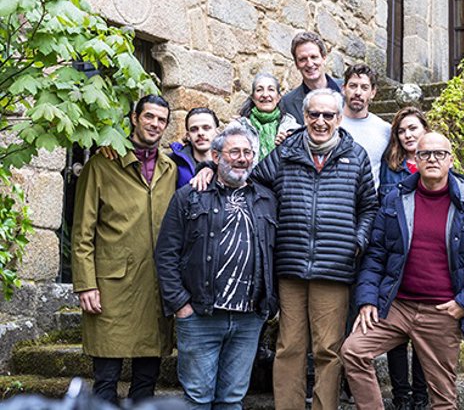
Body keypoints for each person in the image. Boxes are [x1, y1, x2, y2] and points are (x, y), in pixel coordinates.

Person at [341, 132, 464, 410]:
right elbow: (376, 254)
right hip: (396, 306)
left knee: (443, 399)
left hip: (442, 311)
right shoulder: (395, 200)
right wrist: (367, 299)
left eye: (439, 154)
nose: (432, 159)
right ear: (415, 160)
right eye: (425, 154)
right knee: (353, 351)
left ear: (451, 160)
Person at [252, 88, 378, 410]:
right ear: (305, 116)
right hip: (291, 265)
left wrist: (358, 241)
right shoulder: (286, 152)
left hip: (334, 269)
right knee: (289, 347)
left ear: (339, 118)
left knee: (328, 350)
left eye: (328, 115)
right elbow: (255, 184)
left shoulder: (356, 155)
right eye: (314, 115)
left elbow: (369, 207)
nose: (320, 121)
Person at [154, 122, 278, 409]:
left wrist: (269, 304)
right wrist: (180, 305)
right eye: (234, 151)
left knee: (232, 400)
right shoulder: (190, 195)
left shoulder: (266, 199)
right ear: (217, 156)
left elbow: (276, 252)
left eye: (248, 152)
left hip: (248, 318)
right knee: (198, 399)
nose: (242, 158)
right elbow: (166, 253)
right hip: (200, 315)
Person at [71, 95, 177, 405]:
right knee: (106, 381)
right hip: (110, 286)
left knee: (146, 382)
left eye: (161, 120)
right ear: (134, 118)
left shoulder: (170, 169)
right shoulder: (102, 164)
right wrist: (86, 283)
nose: (155, 124)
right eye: (149, 117)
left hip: (155, 286)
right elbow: (82, 230)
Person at [377, 106, 430, 409]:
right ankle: (401, 398)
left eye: (413, 128)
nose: (408, 135)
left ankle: (421, 399)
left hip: (426, 261)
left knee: (422, 336)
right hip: (395, 261)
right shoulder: (389, 167)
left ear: (425, 130)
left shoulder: (438, 161)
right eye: (402, 130)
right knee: (396, 336)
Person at [339, 63, 391, 189]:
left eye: (364, 87)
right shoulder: (329, 123)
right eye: (352, 86)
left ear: (373, 93)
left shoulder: (385, 129)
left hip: (368, 205)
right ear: (343, 89)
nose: (358, 92)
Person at [280, 31, 342, 125]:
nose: (309, 64)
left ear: (324, 58)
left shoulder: (348, 89)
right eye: (302, 59)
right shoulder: (287, 103)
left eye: (314, 57)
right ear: (296, 64)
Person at [238, 72, 300, 161]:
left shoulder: (292, 128)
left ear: (278, 97)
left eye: (271, 89)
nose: (265, 95)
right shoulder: (239, 126)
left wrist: (289, 146)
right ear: (253, 98)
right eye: (259, 90)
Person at [169, 107, 220, 188]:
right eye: (194, 129)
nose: (200, 133)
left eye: (206, 128)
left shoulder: (228, 163)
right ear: (188, 136)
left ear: (217, 132)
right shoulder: (173, 163)